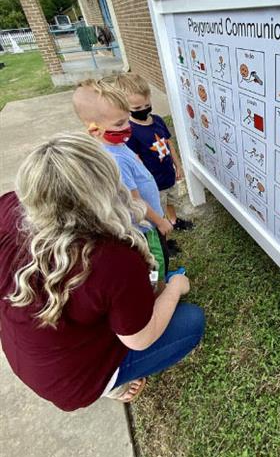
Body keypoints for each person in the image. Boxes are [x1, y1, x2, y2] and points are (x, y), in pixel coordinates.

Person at [0, 133, 205, 410]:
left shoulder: (8, 206)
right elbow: (141, 338)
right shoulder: (111, 257)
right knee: (191, 321)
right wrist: (175, 287)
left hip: (27, 358)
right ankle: (111, 383)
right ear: (106, 188)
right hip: (74, 382)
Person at [72, 78, 172, 281]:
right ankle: (158, 289)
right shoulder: (115, 159)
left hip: (147, 222)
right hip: (145, 226)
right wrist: (160, 221)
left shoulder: (116, 145)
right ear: (94, 129)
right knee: (155, 261)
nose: (128, 126)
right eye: (120, 123)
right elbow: (135, 201)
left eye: (127, 119)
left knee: (157, 256)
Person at [113, 73, 194, 234]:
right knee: (158, 208)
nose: (143, 110)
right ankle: (163, 233)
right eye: (136, 108)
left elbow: (169, 143)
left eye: (146, 105)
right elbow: (135, 159)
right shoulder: (130, 131)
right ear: (124, 107)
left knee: (172, 200)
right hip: (153, 182)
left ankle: (173, 220)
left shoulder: (157, 120)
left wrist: (178, 165)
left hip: (168, 175)